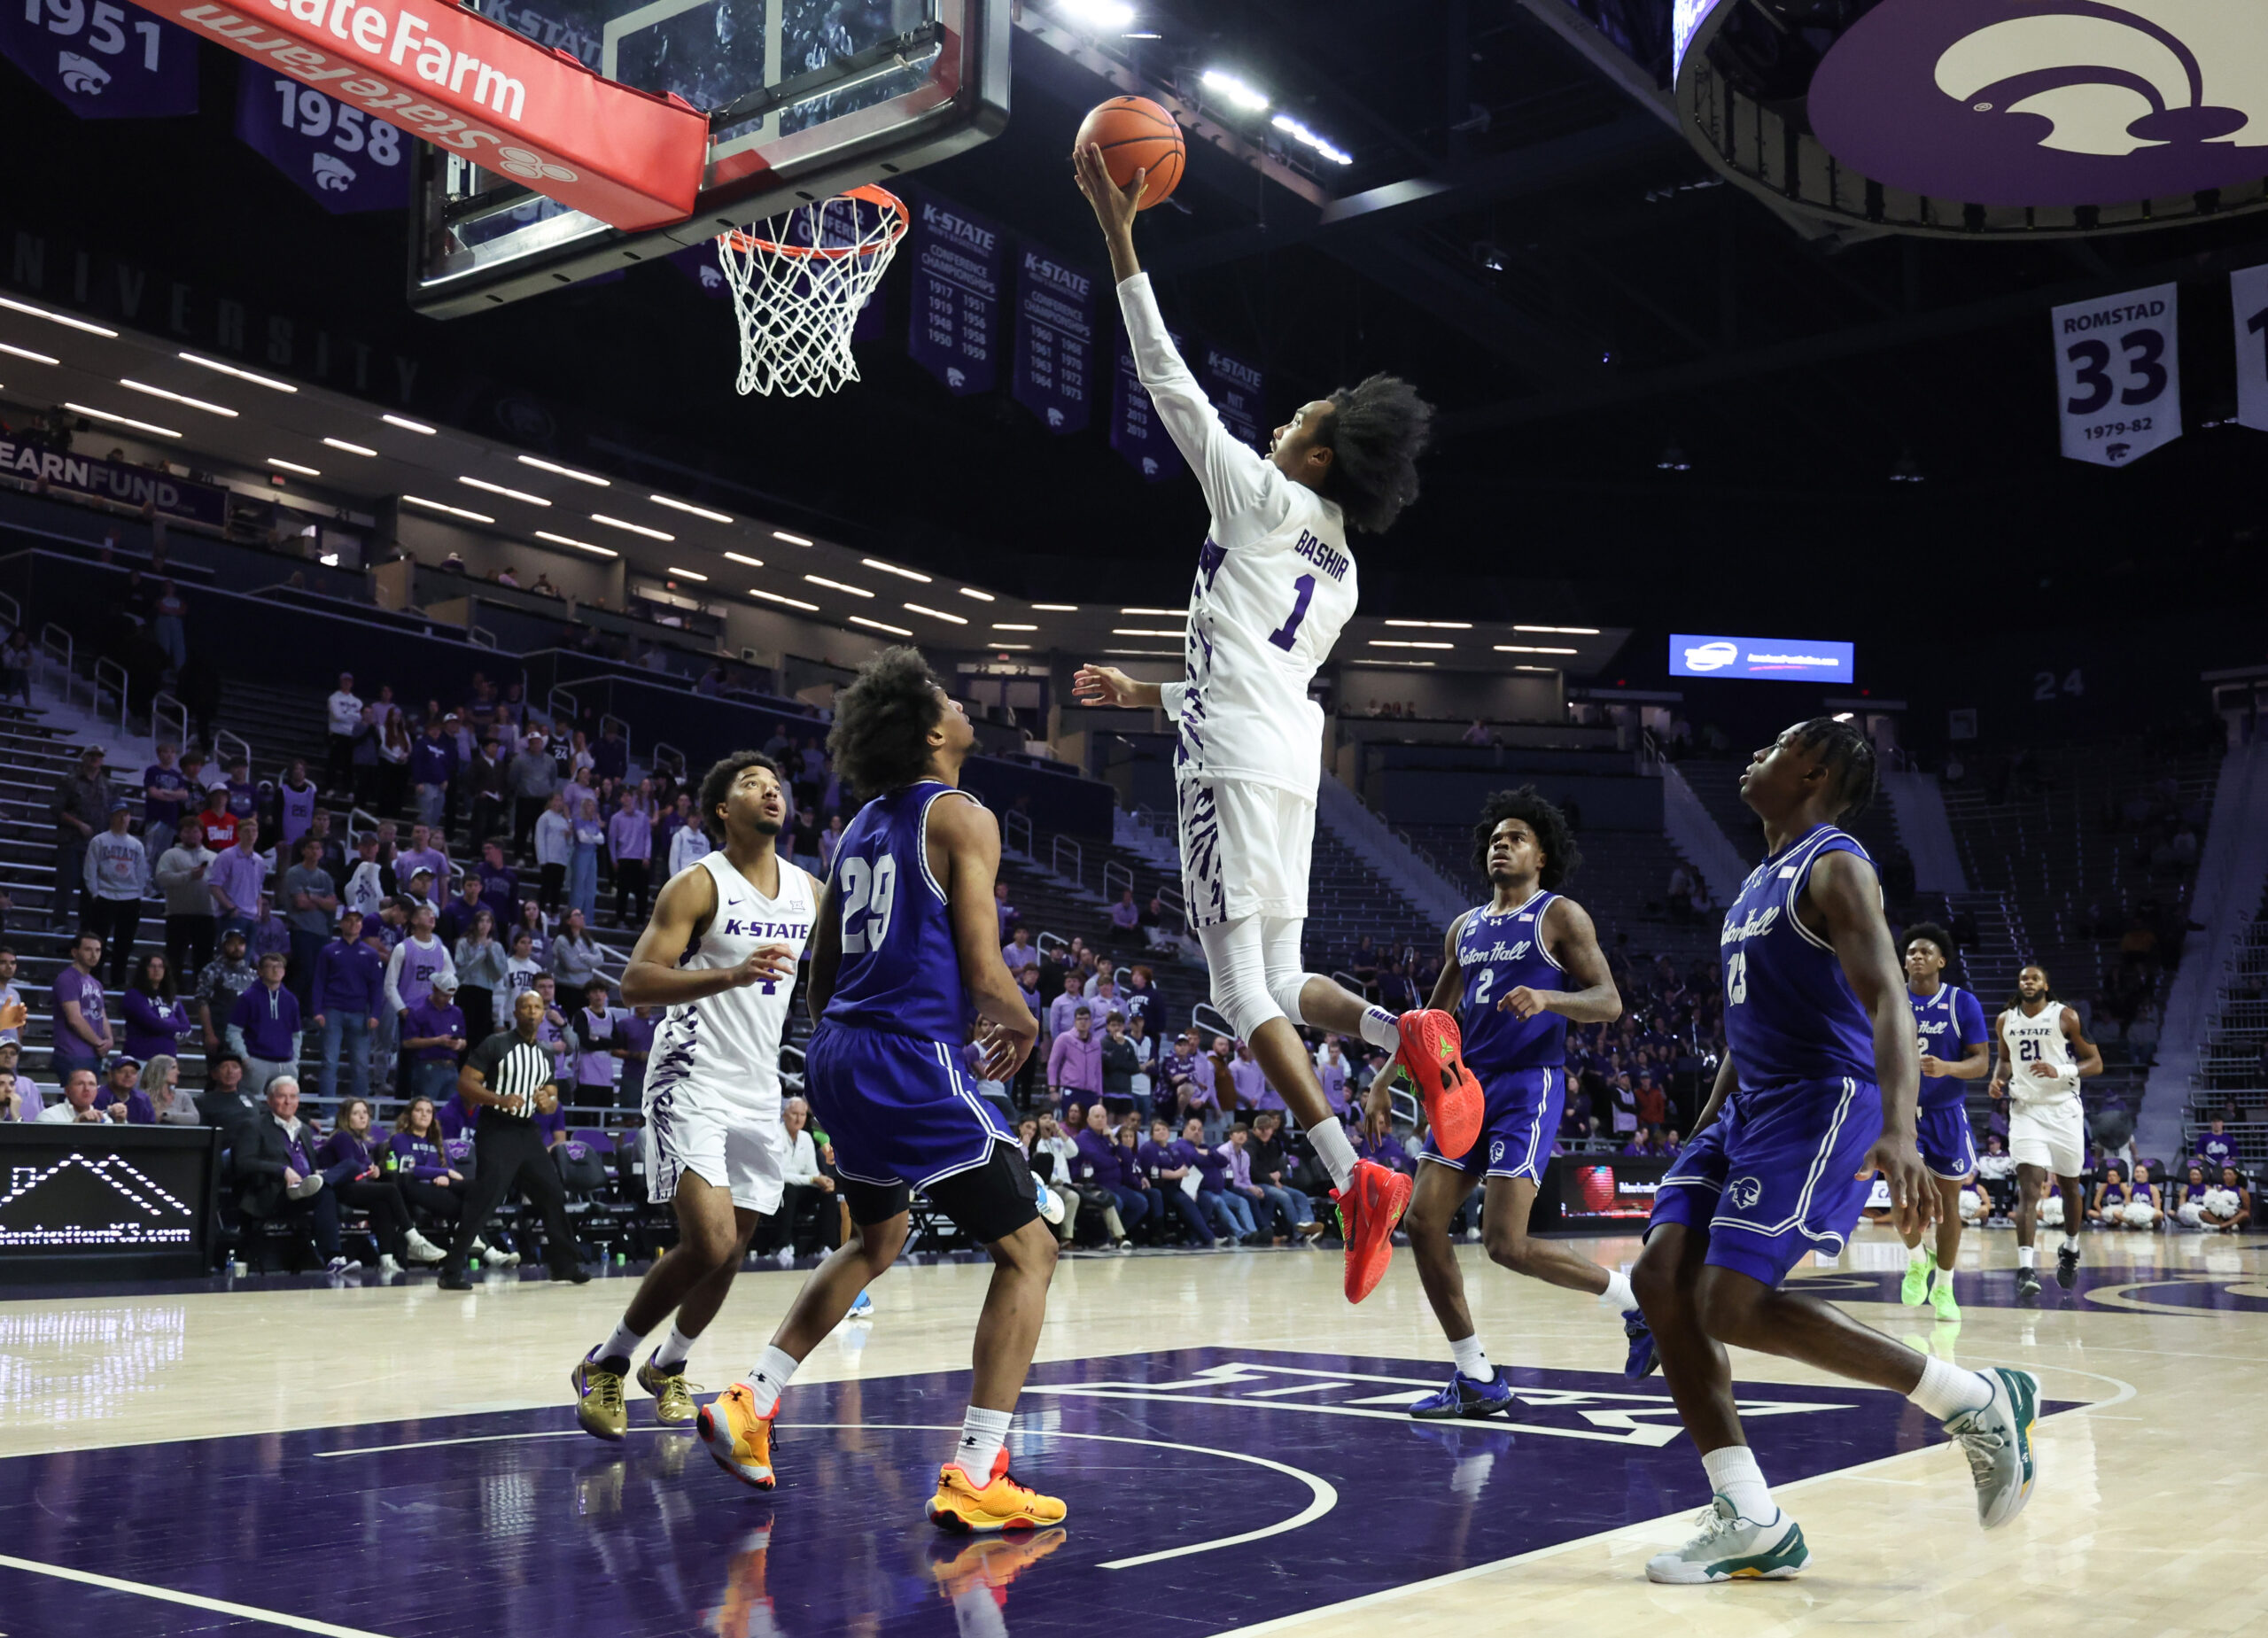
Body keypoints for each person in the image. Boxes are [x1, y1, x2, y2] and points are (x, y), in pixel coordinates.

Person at [1068, 142, 1465, 1307]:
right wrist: (1150, 695)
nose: (1281, 422)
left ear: (1317, 453)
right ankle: (1406, 1034)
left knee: (1240, 995)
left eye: (1298, 418)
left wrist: (1118, 229)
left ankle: (1353, 1179)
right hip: (1291, 752)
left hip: (1233, 755)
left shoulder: (1257, 492)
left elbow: (1164, 377)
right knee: (1287, 982)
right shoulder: (1338, 566)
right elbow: (1254, 661)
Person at [1632, 718, 2038, 1584]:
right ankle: (1747, 1516)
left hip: (1821, 1101)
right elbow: (1749, 1027)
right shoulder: (1755, 883)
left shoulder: (1835, 863)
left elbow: (1888, 997)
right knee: (1660, 1280)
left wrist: (1898, 1129)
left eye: (1769, 745)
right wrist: (1706, 1127)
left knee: (1730, 1304)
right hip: (1746, 1106)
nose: (1750, 753)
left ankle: (1973, 1400)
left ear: (1810, 769)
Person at [694, 650, 1064, 1532]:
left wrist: (848, 1040)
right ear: (934, 734)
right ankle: (977, 1469)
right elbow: (983, 970)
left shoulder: (859, 824)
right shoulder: (962, 815)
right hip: (904, 1056)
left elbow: (821, 970)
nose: (962, 706)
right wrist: (1026, 1021)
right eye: (949, 700)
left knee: (879, 1235)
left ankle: (752, 1396)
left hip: (838, 1051)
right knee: (1032, 1251)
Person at [571, 750, 813, 1439]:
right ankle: (609, 1360)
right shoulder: (698, 884)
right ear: (722, 811)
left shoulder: (808, 892)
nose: (769, 789)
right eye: (750, 784)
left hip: (759, 1086)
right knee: (706, 1242)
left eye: (775, 782)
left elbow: (834, 979)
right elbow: (636, 983)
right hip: (690, 1076)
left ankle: (669, 1364)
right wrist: (731, 975)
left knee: (731, 1250)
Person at [436, 989, 590, 1290]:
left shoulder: (546, 1053)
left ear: (543, 1014)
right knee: (486, 1198)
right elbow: (465, 1083)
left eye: (537, 1007)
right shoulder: (497, 1043)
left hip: (527, 1131)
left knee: (552, 1192)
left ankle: (563, 1265)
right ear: (515, 1013)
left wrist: (549, 1104)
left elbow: (552, 1096)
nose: (532, 1011)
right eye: (526, 1007)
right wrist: (497, 1098)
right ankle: (451, 1270)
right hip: (496, 1128)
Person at [1989, 962, 2102, 1301]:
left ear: (2045, 984)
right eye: (2023, 977)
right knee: (2029, 1190)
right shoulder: (2005, 1020)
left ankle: (2070, 1248)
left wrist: (2060, 1069)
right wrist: (1998, 1079)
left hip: (2063, 1109)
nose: (2028, 981)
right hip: (2025, 1112)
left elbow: (2095, 1062)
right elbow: (2005, 1059)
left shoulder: (2065, 1016)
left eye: (2035, 977)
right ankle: (2025, 1268)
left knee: (2070, 1186)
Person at [1897, 921, 1992, 1322]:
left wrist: (1948, 1067)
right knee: (1905, 1200)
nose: (1916, 957)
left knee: (1948, 1205)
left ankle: (1946, 1287)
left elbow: (1982, 1062)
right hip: (1900, 1117)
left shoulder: (1961, 1003)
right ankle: (1918, 1258)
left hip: (1946, 1116)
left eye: (1924, 952)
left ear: (1941, 961)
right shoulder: (1889, 1000)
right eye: (1910, 952)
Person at [234, 1078, 360, 1274]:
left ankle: (318, 1182)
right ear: (269, 1100)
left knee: (349, 1167)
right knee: (325, 1192)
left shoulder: (304, 1129)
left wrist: (316, 1173)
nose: (287, 1101)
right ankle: (333, 1258)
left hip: (304, 1191)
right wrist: (282, 1170)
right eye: (282, 1096)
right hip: (274, 1194)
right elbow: (242, 1163)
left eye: (292, 1097)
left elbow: (311, 1162)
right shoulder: (254, 1125)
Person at [318, 1096, 446, 1274]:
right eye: (356, 1113)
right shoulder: (342, 1137)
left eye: (365, 1113)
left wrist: (375, 1170)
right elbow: (351, 1168)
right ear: (345, 1118)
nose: (363, 1117)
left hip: (353, 1188)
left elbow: (362, 1169)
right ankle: (415, 1240)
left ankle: (386, 1259)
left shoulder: (360, 1141)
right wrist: (370, 1169)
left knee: (382, 1202)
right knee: (389, 1190)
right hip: (335, 1190)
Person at [82, 798, 148, 986]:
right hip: (105, 895)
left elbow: (142, 871)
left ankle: (118, 980)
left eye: (126, 815)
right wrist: (95, 892)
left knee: (124, 943)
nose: (122, 818)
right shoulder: (100, 841)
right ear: (111, 817)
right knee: (98, 942)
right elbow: (90, 869)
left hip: (130, 897)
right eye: (119, 814)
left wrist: (138, 893)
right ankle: (95, 979)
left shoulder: (136, 845)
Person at [49, 743, 109, 933]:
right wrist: (78, 824)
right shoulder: (69, 781)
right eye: (91, 755)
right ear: (84, 757)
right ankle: (60, 922)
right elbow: (56, 809)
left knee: (90, 888)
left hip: (96, 843)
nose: (95, 758)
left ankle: (87, 927)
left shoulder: (108, 785)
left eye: (98, 755)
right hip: (71, 840)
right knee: (66, 883)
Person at [227, 951, 302, 1098]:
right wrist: (245, 1058)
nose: (275, 970)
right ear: (260, 971)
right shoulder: (248, 998)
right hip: (257, 1062)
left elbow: (296, 1034)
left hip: (286, 1064)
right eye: (270, 966)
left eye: (279, 966)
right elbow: (233, 1031)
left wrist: (295, 1060)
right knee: (252, 1107)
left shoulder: (291, 1000)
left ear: (284, 971)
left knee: (285, 1106)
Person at [156, 816, 219, 981]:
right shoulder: (170, 855)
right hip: (178, 914)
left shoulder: (213, 857)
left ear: (202, 833)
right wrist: (188, 875)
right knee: (174, 956)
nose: (192, 835)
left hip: (206, 914)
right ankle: (172, 990)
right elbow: (162, 878)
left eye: (195, 831)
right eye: (187, 831)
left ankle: (202, 991)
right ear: (180, 834)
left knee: (204, 958)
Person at [50, 930, 113, 1080]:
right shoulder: (67, 979)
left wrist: (109, 1040)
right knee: (71, 1102)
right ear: (74, 952)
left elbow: (101, 1015)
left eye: (97, 950)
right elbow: (74, 1019)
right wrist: (99, 1043)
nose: (94, 955)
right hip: (72, 1054)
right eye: (88, 949)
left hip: (93, 1054)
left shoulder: (96, 983)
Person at [121, 953, 191, 1064]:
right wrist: (174, 1025)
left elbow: (187, 1029)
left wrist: (164, 1027)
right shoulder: (134, 995)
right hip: (140, 1059)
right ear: (144, 969)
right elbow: (152, 1023)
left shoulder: (172, 998)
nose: (157, 970)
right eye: (152, 966)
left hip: (168, 1062)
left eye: (161, 966)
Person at [207, 815, 267, 943]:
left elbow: (258, 890)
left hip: (252, 917)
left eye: (254, 831)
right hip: (233, 915)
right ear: (238, 833)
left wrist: (259, 912)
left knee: (246, 958)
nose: (251, 834)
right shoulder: (227, 856)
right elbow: (214, 886)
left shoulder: (259, 861)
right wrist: (230, 908)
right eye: (247, 831)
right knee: (229, 956)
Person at [608, 787, 654, 926]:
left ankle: (640, 921)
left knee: (642, 893)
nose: (627, 799)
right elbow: (612, 840)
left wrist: (647, 855)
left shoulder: (643, 817)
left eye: (630, 796)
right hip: (624, 858)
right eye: (624, 796)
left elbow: (647, 837)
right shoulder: (616, 818)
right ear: (621, 799)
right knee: (622, 892)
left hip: (640, 859)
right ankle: (620, 919)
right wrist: (614, 859)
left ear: (634, 798)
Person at [141, 741, 188, 866]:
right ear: (159, 754)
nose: (169, 755)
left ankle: (159, 882)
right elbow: (153, 792)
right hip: (156, 817)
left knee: (164, 855)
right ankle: (146, 881)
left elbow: (184, 795)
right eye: (166, 752)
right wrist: (173, 795)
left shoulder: (177, 775)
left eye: (172, 752)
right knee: (150, 853)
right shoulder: (152, 771)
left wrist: (166, 793)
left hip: (171, 819)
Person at [325, 673, 362, 796]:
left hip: (351, 736)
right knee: (333, 763)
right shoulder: (334, 698)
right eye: (345, 681)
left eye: (349, 681)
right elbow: (337, 715)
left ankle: (349, 790)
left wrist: (346, 716)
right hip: (337, 734)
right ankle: (330, 788)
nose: (347, 683)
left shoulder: (357, 701)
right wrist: (352, 716)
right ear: (341, 682)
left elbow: (359, 718)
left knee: (349, 765)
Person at [138, 1053, 199, 1126]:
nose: (178, 1072)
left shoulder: (182, 1096)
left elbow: (195, 1119)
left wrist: (165, 1116)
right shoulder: (141, 1098)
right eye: (173, 1068)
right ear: (160, 1070)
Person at [35, 1067, 111, 1123]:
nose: (87, 1088)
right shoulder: (48, 1116)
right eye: (80, 1084)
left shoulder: (106, 1120)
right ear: (67, 1090)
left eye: (92, 1084)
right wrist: (78, 1121)